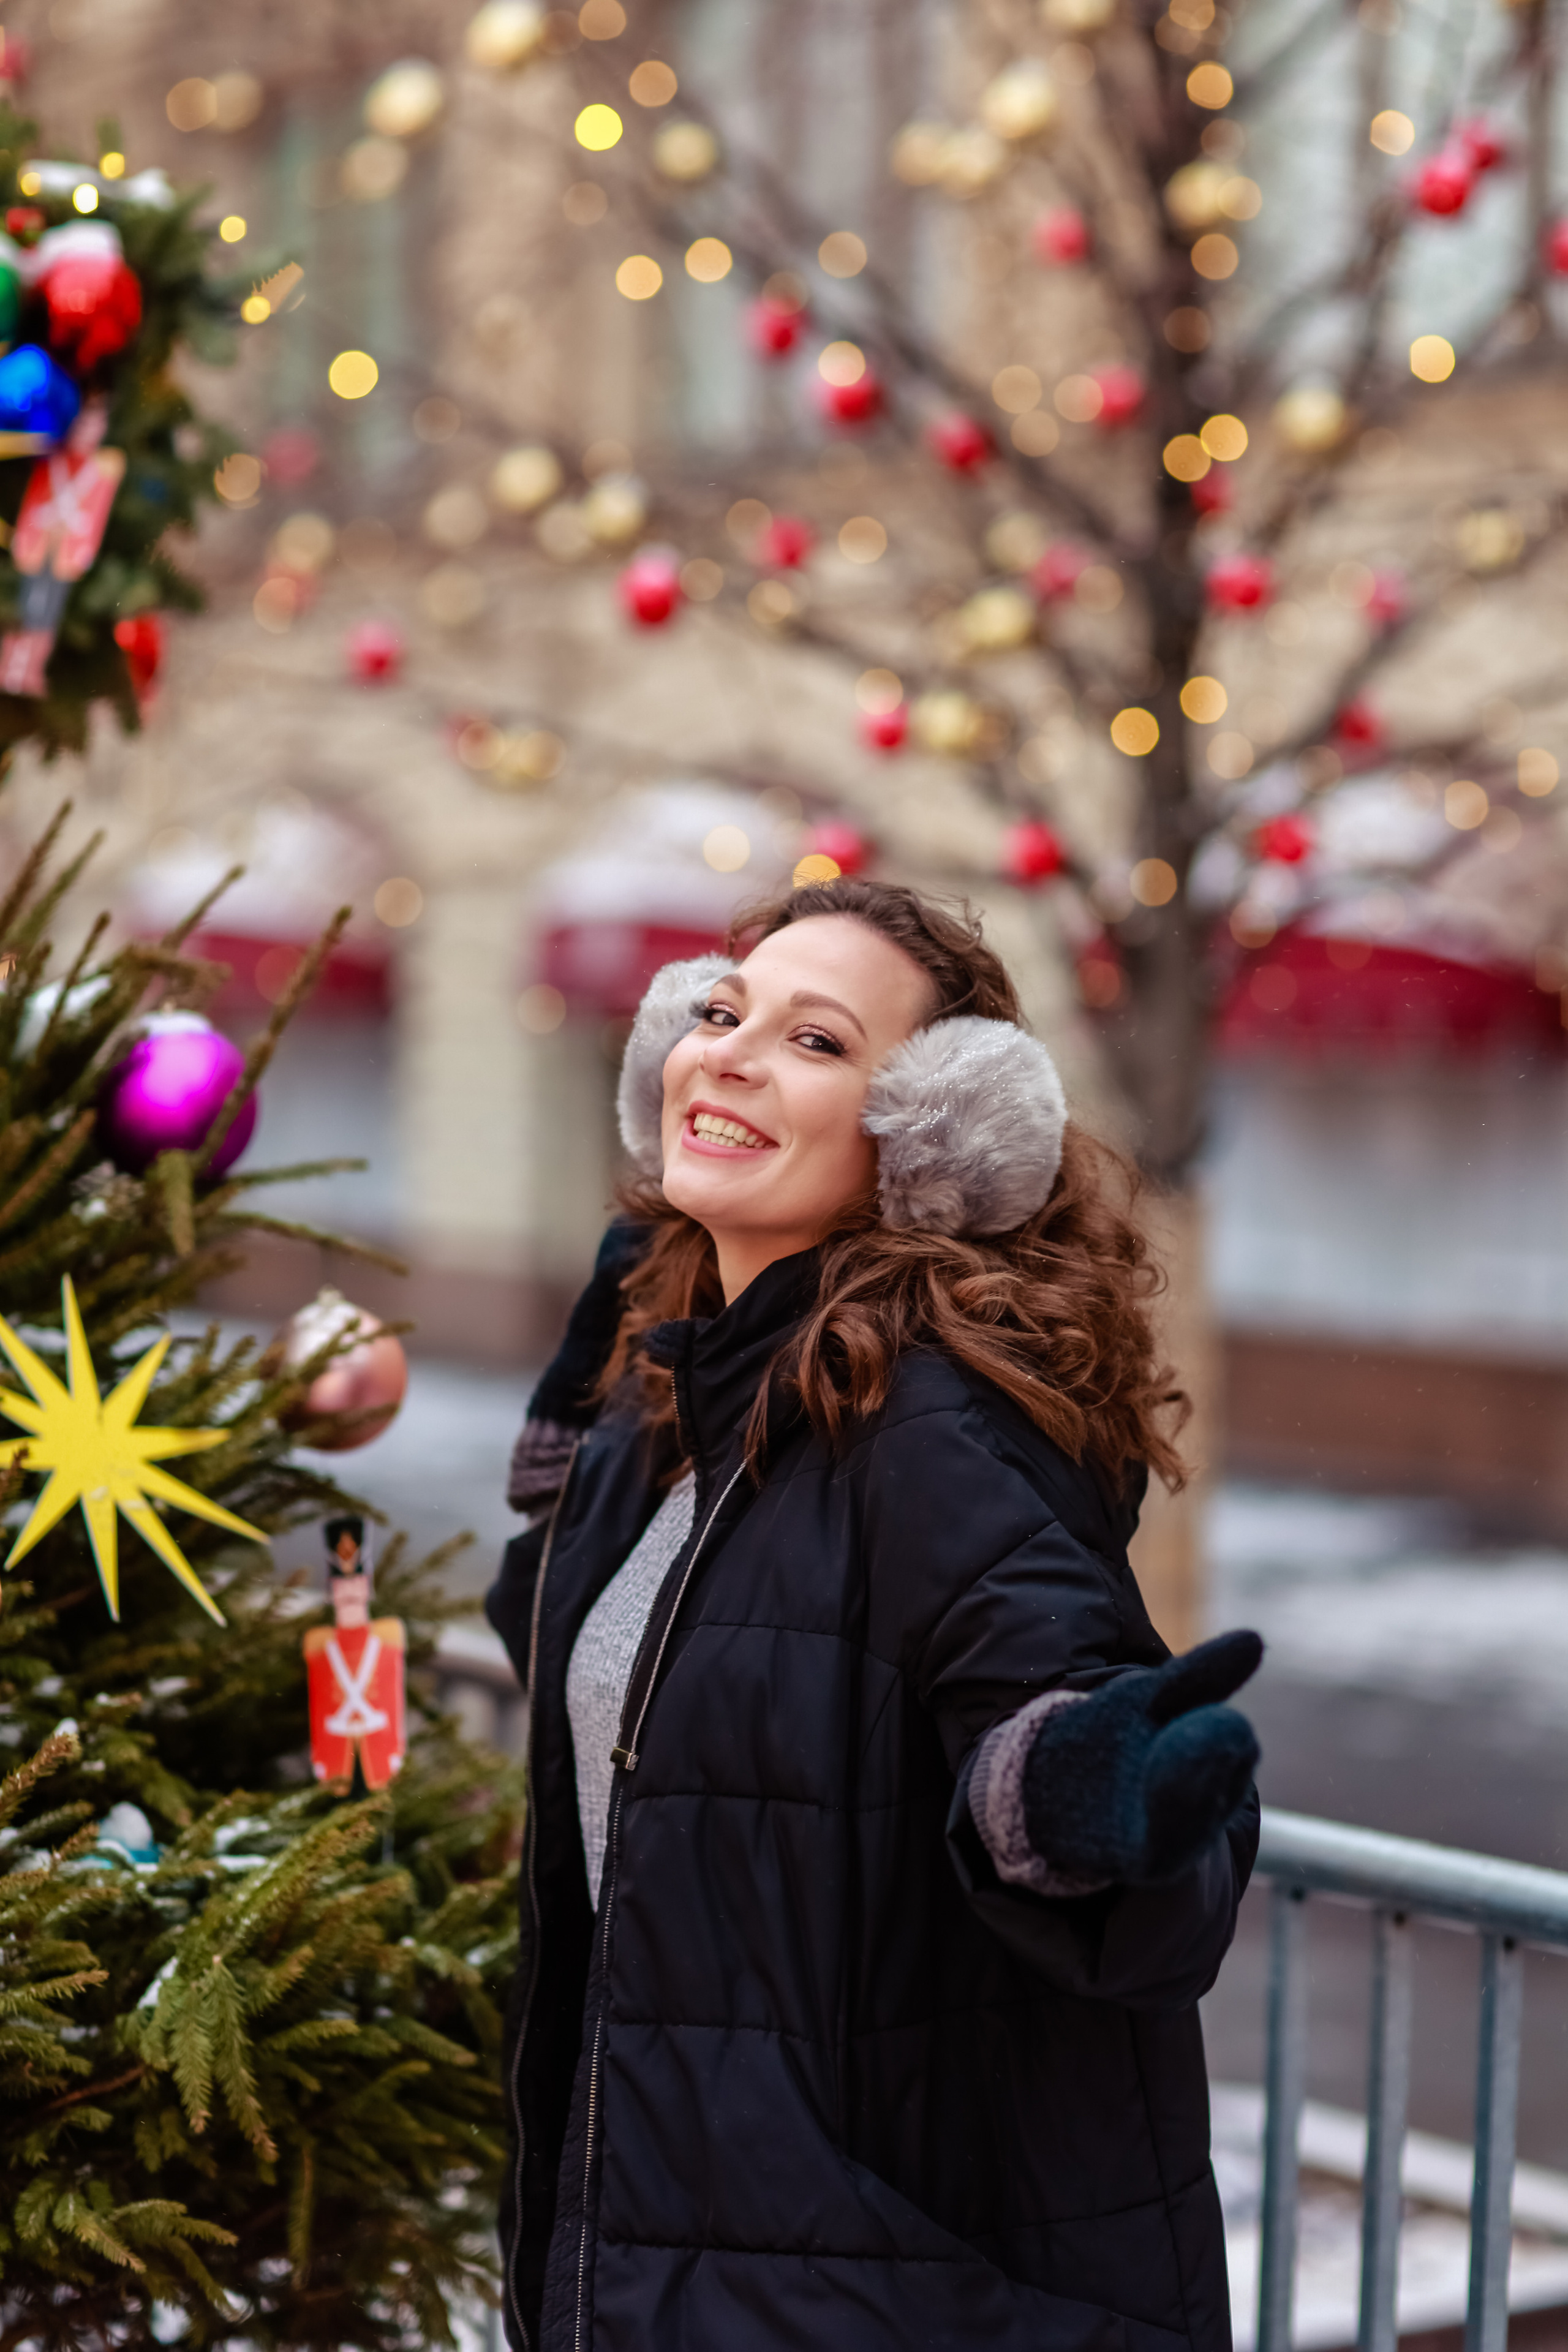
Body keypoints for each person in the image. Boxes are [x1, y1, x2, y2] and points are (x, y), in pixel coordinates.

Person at [488, 876, 1262, 2352]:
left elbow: (1037, 1701)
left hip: (859, 2289)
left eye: (816, 1041)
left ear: (930, 1142)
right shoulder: (675, 1410)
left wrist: (1075, 1792)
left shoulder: (930, 1435)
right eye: (720, 1012)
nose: (728, 1050)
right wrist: (563, 1457)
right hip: (660, 2261)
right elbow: (603, 1663)